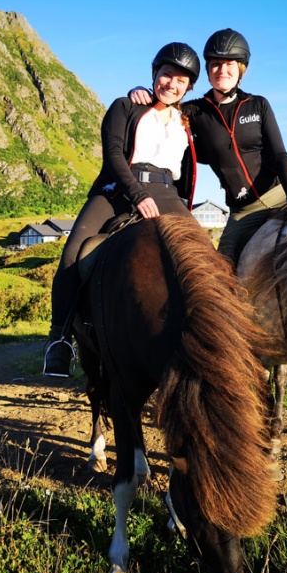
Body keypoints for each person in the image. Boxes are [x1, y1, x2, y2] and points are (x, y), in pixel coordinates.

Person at [43, 42, 201, 377]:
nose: (171, 83)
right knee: (72, 255)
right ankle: (59, 340)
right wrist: (137, 193)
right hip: (119, 187)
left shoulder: (187, 122)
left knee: (206, 259)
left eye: (181, 80)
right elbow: (113, 154)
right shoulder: (125, 106)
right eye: (166, 74)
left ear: (188, 87)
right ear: (154, 73)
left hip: (167, 193)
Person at [131, 28, 287, 264]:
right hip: (243, 210)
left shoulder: (258, 105)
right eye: (215, 64)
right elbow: (165, 101)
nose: (222, 71)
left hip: (279, 192)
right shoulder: (195, 111)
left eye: (229, 65)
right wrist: (141, 92)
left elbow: (279, 154)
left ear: (241, 70)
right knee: (222, 270)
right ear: (208, 70)